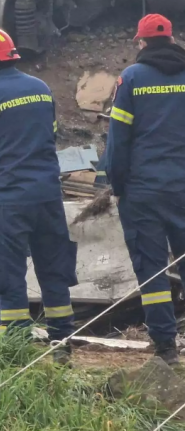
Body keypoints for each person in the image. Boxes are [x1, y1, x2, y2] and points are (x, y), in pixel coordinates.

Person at [0, 27, 77, 363]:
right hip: (48, 197)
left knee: (10, 275)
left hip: (10, 200)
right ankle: (62, 346)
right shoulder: (41, 89)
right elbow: (50, 137)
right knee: (54, 271)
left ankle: (17, 352)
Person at [106, 13, 185, 364]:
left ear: (141, 42)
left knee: (151, 269)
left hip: (143, 191)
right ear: (171, 39)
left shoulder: (132, 78)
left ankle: (166, 348)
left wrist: (117, 184)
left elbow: (118, 140)